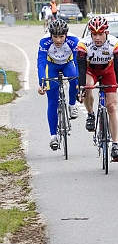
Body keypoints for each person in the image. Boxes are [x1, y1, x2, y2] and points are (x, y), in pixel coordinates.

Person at [76, 15, 118, 161]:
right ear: (90, 34)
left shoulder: (115, 44)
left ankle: (115, 145)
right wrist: (81, 89)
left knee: (112, 106)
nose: (97, 38)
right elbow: (81, 70)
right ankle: (91, 114)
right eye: (94, 34)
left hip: (108, 71)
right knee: (88, 85)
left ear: (107, 33)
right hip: (91, 70)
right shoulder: (83, 44)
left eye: (100, 34)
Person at [36, 19, 80, 150]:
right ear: (51, 35)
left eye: (61, 36)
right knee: (52, 100)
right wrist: (42, 82)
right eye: (55, 36)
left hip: (68, 63)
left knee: (75, 80)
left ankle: (72, 105)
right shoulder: (44, 41)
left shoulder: (74, 40)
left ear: (66, 34)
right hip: (52, 65)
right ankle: (53, 136)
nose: (58, 40)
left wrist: (80, 81)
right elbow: (41, 63)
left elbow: (78, 62)